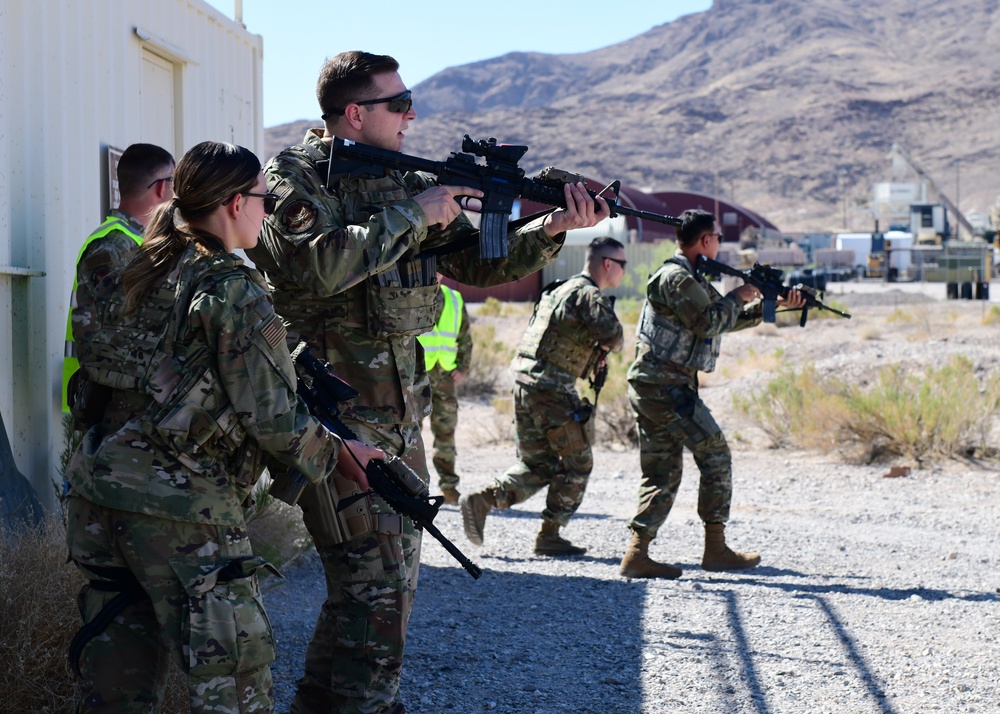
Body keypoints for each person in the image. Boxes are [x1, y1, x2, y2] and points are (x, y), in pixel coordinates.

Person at [246, 51, 609, 714]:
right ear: (355, 113)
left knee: (386, 588)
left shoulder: (400, 178)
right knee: (373, 588)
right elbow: (318, 268)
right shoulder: (296, 178)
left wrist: (552, 227)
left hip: (401, 418)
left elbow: (477, 260)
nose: (413, 114)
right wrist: (415, 213)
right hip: (335, 422)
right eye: (398, 103)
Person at [64, 141, 380, 713]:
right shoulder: (230, 287)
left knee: (117, 689)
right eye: (264, 199)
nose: (268, 211)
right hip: (180, 509)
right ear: (235, 203)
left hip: (96, 494)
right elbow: (274, 418)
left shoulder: (138, 264)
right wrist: (342, 455)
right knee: (235, 678)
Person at [618, 209, 805, 579]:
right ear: (705, 240)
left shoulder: (690, 279)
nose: (720, 243)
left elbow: (721, 319)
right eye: (717, 236)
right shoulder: (676, 278)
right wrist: (741, 293)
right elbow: (708, 321)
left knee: (663, 470)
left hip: (660, 384)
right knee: (715, 455)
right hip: (665, 386)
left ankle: (636, 555)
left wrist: (772, 305)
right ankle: (715, 549)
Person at [460, 236, 625, 556]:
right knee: (578, 463)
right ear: (608, 264)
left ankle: (483, 500)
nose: (624, 272)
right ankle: (550, 535)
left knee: (538, 464)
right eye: (623, 265)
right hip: (551, 388)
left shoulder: (559, 288)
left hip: (524, 383)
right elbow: (614, 337)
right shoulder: (588, 294)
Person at [63, 143, 176, 412]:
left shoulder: (137, 242)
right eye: (174, 183)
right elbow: (102, 334)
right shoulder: (114, 246)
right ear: (161, 188)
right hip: (106, 403)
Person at [416, 278, 472, 503]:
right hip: (416, 376)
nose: (436, 271)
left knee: (446, 433)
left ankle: (449, 488)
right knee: (411, 434)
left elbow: (465, 336)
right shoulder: (410, 294)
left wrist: (463, 366)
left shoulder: (454, 298)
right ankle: (412, 487)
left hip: (446, 377)